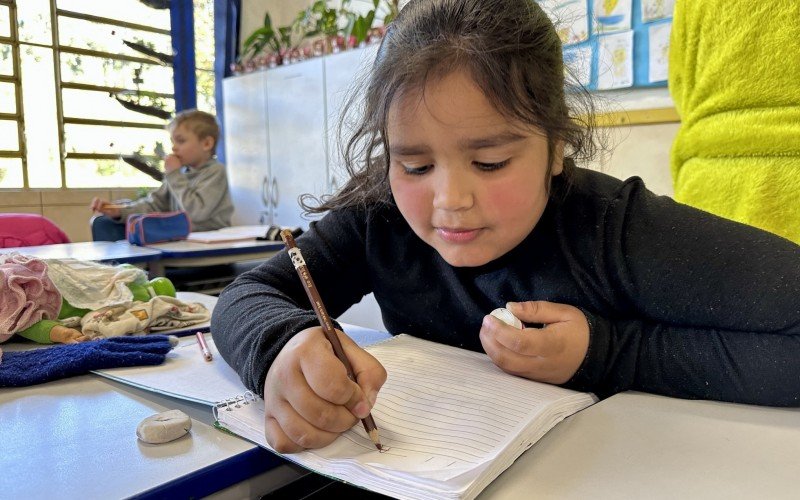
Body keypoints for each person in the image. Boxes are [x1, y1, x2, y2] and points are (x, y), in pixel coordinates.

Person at [211, 0, 800, 453]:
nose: (451, 202)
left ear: (556, 147)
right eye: (414, 164)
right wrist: (280, 346)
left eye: (490, 162)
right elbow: (248, 294)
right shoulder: (378, 220)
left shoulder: (612, 229)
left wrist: (606, 352)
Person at [90, 109, 234, 241]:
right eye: (172, 141)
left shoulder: (215, 172)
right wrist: (119, 211)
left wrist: (174, 175)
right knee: (103, 223)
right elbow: (154, 205)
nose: (174, 147)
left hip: (209, 245)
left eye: (181, 141)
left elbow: (196, 213)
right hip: (181, 240)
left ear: (207, 144)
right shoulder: (178, 175)